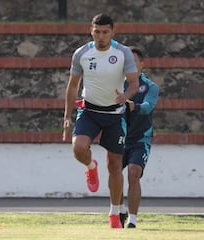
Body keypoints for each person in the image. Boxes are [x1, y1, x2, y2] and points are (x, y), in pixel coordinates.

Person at [62, 13, 139, 228]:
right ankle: (90, 165)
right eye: (97, 32)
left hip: (114, 115)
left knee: (115, 165)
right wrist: (67, 115)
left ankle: (114, 214)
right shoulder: (82, 54)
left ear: (112, 32)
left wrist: (125, 96)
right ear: (91, 30)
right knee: (78, 148)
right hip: (89, 111)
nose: (101, 36)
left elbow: (133, 83)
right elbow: (73, 85)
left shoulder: (123, 53)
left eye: (105, 32)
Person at [119, 46, 159, 228]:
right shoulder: (118, 85)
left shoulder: (150, 87)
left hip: (140, 140)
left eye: (134, 62)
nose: (131, 66)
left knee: (133, 173)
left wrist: (134, 105)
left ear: (142, 64)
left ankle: (132, 220)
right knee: (114, 174)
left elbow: (148, 106)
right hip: (119, 138)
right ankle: (119, 209)